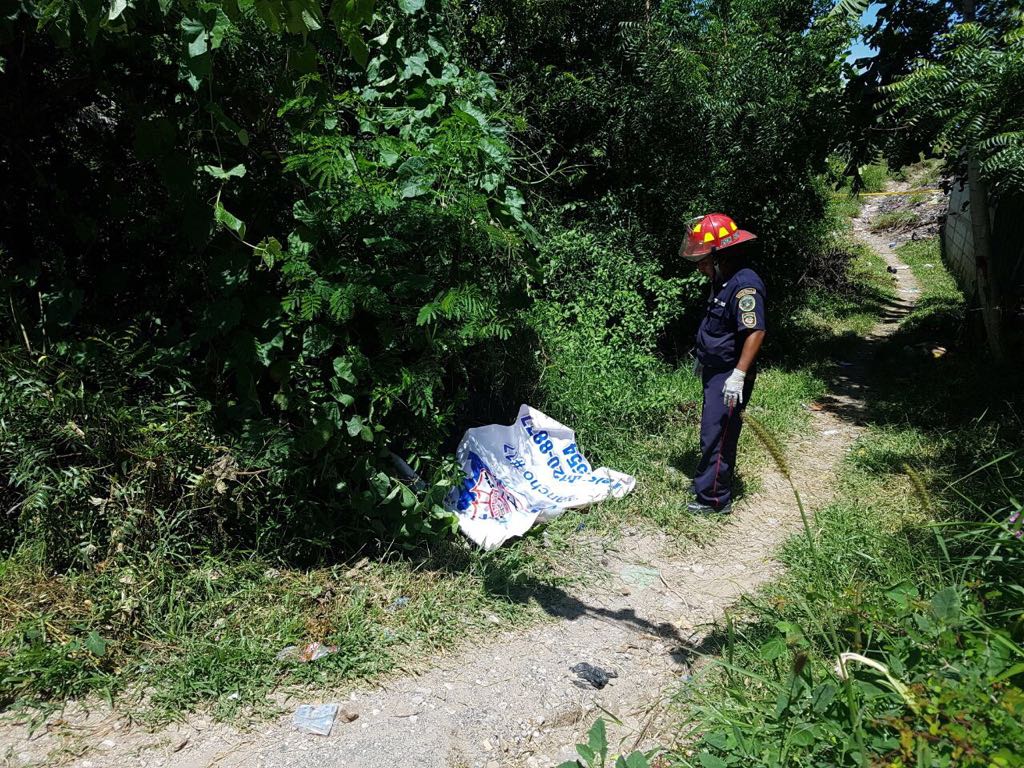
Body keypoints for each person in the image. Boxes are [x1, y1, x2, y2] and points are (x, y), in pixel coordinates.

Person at [679, 213, 766, 514]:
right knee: (712, 430)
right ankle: (708, 482)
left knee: (718, 434)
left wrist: (738, 375)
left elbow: (755, 331)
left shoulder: (745, 286)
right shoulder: (723, 280)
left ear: (720, 255)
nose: (700, 266)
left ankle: (714, 499)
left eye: (704, 259)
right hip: (716, 369)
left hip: (730, 373)